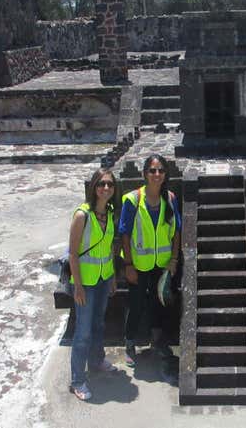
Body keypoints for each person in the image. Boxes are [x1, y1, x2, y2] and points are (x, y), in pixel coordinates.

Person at [120, 154, 181, 367]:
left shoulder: (170, 199)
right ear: (145, 174)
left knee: (158, 304)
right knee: (136, 304)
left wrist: (173, 259)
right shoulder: (132, 200)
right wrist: (128, 265)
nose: (157, 175)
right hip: (138, 264)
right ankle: (129, 343)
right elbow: (124, 234)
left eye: (161, 171)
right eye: (152, 171)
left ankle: (158, 341)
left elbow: (176, 231)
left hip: (161, 264)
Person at [68, 168, 120, 401]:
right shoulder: (82, 215)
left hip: (102, 279)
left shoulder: (109, 213)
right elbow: (73, 254)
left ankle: (97, 361)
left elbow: (109, 248)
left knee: (98, 324)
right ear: (94, 187)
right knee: (83, 332)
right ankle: (78, 380)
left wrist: (112, 277)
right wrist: (77, 286)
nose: (106, 188)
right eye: (101, 184)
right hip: (85, 284)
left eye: (109, 184)